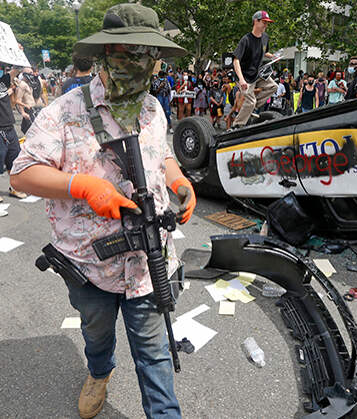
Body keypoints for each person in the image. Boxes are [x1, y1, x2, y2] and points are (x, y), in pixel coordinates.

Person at [9, 4, 192, 418]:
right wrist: (83, 186)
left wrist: (180, 181)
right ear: (107, 53)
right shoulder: (64, 112)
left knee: (155, 355)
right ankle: (98, 373)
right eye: (130, 54)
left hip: (149, 264)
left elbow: (160, 154)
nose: (141, 66)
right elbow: (21, 175)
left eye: (149, 57)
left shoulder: (152, 109)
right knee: (96, 335)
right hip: (90, 266)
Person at [231, 10, 278, 128]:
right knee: (250, 101)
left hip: (257, 74)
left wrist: (272, 56)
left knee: (273, 86)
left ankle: (252, 106)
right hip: (245, 76)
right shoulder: (246, 40)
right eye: (264, 22)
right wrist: (241, 80)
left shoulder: (265, 38)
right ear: (255, 22)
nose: (266, 26)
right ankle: (236, 125)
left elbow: (264, 52)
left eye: (267, 23)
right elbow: (236, 60)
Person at [0, 62, 27, 199]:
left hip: (9, 126)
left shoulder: (3, 81)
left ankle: (15, 188)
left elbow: (14, 71)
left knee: (14, 159)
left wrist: (18, 55)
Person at [14, 67, 44, 135]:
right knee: (32, 132)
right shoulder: (22, 85)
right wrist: (23, 113)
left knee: (36, 131)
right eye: (30, 73)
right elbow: (17, 100)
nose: (32, 74)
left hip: (33, 109)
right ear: (25, 74)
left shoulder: (29, 84)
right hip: (28, 111)